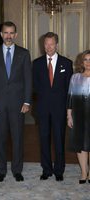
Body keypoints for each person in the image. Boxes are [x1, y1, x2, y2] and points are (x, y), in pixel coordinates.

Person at [0, 21, 32, 182]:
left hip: (18, 103)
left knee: (18, 137)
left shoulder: (24, 54)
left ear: (16, 35)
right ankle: (1, 170)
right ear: (1, 34)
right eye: (6, 33)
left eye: (12, 33)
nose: (9, 36)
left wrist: (27, 102)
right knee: (0, 137)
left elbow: (28, 79)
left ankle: (17, 170)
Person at [33, 32, 73, 181]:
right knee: (43, 139)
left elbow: (70, 89)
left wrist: (69, 110)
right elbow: (35, 87)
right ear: (43, 45)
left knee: (59, 139)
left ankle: (59, 170)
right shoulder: (36, 63)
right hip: (42, 108)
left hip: (60, 109)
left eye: (51, 44)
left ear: (57, 44)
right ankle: (46, 169)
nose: (49, 47)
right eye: (46, 44)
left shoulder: (66, 63)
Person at [67, 50, 90, 184]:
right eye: (86, 59)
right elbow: (70, 97)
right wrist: (69, 115)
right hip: (78, 115)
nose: (88, 62)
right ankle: (83, 172)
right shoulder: (75, 77)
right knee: (80, 144)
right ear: (82, 62)